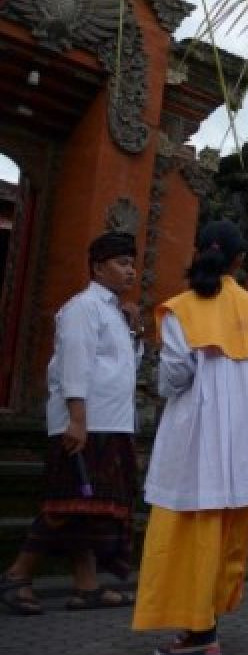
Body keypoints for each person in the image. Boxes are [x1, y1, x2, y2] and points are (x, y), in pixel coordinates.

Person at [132, 220, 248, 655]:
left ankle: (200, 634)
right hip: (245, 448)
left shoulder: (181, 310)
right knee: (225, 537)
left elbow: (176, 377)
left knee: (188, 534)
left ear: (200, 252)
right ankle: (206, 624)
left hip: (198, 441)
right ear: (240, 261)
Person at [1, 232, 142, 616]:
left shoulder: (115, 312)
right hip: (85, 423)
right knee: (67, 504)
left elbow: (125, 367)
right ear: (98, 267)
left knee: (90, 508)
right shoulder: (82, 308)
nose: (130, 271)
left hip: (112, 422)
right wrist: (77, 419)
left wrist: (134, 330)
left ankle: (87, 586)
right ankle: (18, 575)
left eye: (132, 263)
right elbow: (73, 365)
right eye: (121, 263)